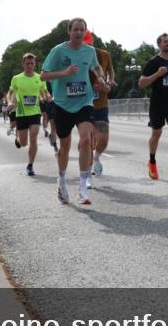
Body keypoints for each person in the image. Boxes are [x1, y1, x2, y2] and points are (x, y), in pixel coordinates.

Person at [41, 17, 110, 205]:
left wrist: (100, 78)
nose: (79, 32)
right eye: (76, 29)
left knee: (86, 139)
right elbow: (44, 75)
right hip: (62, 104)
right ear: (69, 32)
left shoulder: (89, 51)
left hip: (84, 101)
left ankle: (82, 188)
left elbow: (96, 67)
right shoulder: (58, 51)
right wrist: (63, 73)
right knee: (65, 146)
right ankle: (62, 181)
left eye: (82, 30)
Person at [139, 33, 168, 180]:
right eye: (165, 42)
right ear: (159, 44)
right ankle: (152, 162)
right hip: (157, 104)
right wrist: (157, 74)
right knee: (156, 134)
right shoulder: (153, 62)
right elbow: (141, 83)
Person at [6, 53, 48, 176]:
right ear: (23, 64)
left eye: (32, 63)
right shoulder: (16, 78)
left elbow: (44, 92)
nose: (30, 65)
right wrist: (10, 102)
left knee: (33, 137)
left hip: (35, 112)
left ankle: (30, 165)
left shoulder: (40, 77)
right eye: (27, 63)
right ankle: (18, 139)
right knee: (24, 143)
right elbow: (9, 93)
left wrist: (46, 97)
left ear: (35, 64)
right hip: (21, 114)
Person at [84, 30, 115, 186]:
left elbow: (111, 73)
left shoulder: (104, 55)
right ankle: (87, 174)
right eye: (83, 44)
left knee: (103, 140)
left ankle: (96, 157)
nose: (86, 46)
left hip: (101, 103)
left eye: (88, 43)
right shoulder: (76, 56)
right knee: (88, 140)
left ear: (93, 41)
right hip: (84, 104)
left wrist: (109, 83)